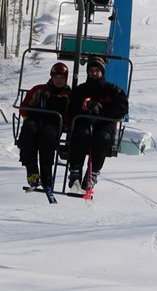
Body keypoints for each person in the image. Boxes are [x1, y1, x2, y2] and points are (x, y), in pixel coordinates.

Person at [67, 57, 129, 190]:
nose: (94, 73)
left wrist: (102, 114)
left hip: (104, 126)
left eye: (97, 70)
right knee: (80, 134)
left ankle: (92, 174)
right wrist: (86, 111)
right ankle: (75, 171)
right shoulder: (80, 90)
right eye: (91, 70)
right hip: (84, 123)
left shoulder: (112, 90)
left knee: (101, 138)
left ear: (102, 72)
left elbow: (122, 107)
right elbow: (71, 108)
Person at [18, 62, 71, 191]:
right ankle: (32, 172)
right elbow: (24, 107)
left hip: (53, 125)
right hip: (35, 121)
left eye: (61, 78)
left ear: (66, 79)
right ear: (51, 78)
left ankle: (46, 174)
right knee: (28, 131)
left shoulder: (68, 95)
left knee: (47, 137)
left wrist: (62, 122)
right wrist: (31, 114)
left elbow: (71, 114)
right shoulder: (40, 90)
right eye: (56, 77)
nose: (58, 81)